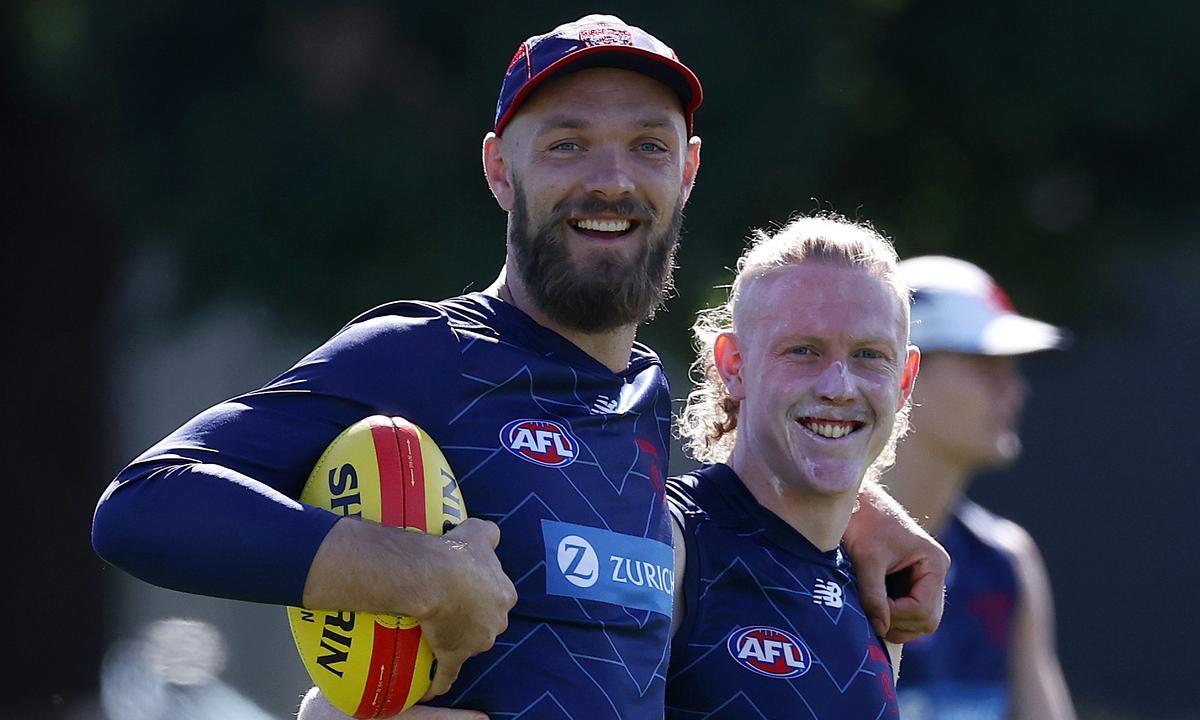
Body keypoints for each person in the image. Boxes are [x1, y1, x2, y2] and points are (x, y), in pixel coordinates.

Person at [93, 15, 946, 719]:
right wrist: (421, 578)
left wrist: (861, 510)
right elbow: (146, 506)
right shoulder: (426, 357)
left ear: (686, 172)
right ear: (501, 170)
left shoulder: (643, 398)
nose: (612, 180)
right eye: (568, 145)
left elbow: (743, 472)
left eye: (648, 146)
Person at [662, 214, 921, 718]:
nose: (839, 385)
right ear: (734, 365)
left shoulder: (878, 588)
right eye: (803, 351)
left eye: (870, 355)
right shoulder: (670, 543)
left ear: (905, 380)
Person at [880, 255, 1077, 720]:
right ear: (906, 372)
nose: (1015, 389)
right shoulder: (810, 551)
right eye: (985, 363)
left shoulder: (1008, 561)